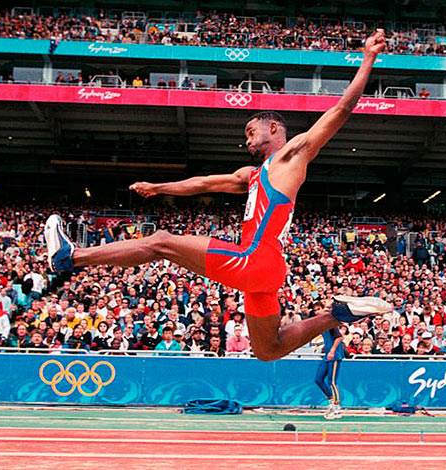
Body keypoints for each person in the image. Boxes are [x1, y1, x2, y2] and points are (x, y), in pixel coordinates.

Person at [44, 30, 391, 362]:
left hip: (257, 259)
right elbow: (203, 183)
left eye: (250, 132)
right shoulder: (252, 175)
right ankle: (337, 315)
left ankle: (71, 256)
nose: (246, 140)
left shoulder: (293, 154)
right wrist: (159, 188)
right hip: (264, 271)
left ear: (273, 129)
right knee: (268, 349)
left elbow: (340, 110)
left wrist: (368, 58)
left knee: (161, 241)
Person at [315, 305, 345, 420]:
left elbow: (339, 337)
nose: (317, 312)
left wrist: (332, 350)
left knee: (332, 382)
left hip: (334, 355)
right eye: (315, 310)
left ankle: (337, 408)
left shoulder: (331, 322)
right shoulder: (321, 325)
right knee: (318, 379)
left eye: (319, 309)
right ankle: (331, 401)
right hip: (326, 355)